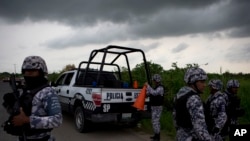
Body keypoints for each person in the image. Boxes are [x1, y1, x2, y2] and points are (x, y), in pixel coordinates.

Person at [2, 56, 62, 141]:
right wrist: (10, 105)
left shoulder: (48, 92)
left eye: (32, 70)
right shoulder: (25, 90)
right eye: (26, 71)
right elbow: (19, 113)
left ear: (41, 72)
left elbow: (57, 120)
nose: (28, 73)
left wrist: (27, 120)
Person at [173, 67, 212, 141]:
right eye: (202, 82)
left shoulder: (179, 95)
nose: (205, 85)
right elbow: (200, 127)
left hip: (181, 136)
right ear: (193, 82)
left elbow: (175, 118)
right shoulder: (194, 99)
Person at [144, 74, 164, 141]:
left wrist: (148, 86)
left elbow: (154, 93)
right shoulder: (156, 87)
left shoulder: (161, 88)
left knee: (156, 121)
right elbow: (150, 93)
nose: (153, 81)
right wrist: (147, 92)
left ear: (156, 80)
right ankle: (156, 135)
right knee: (154, 121)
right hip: (154, 106)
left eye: (154, 80)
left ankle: (157, 137)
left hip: (158, 107)